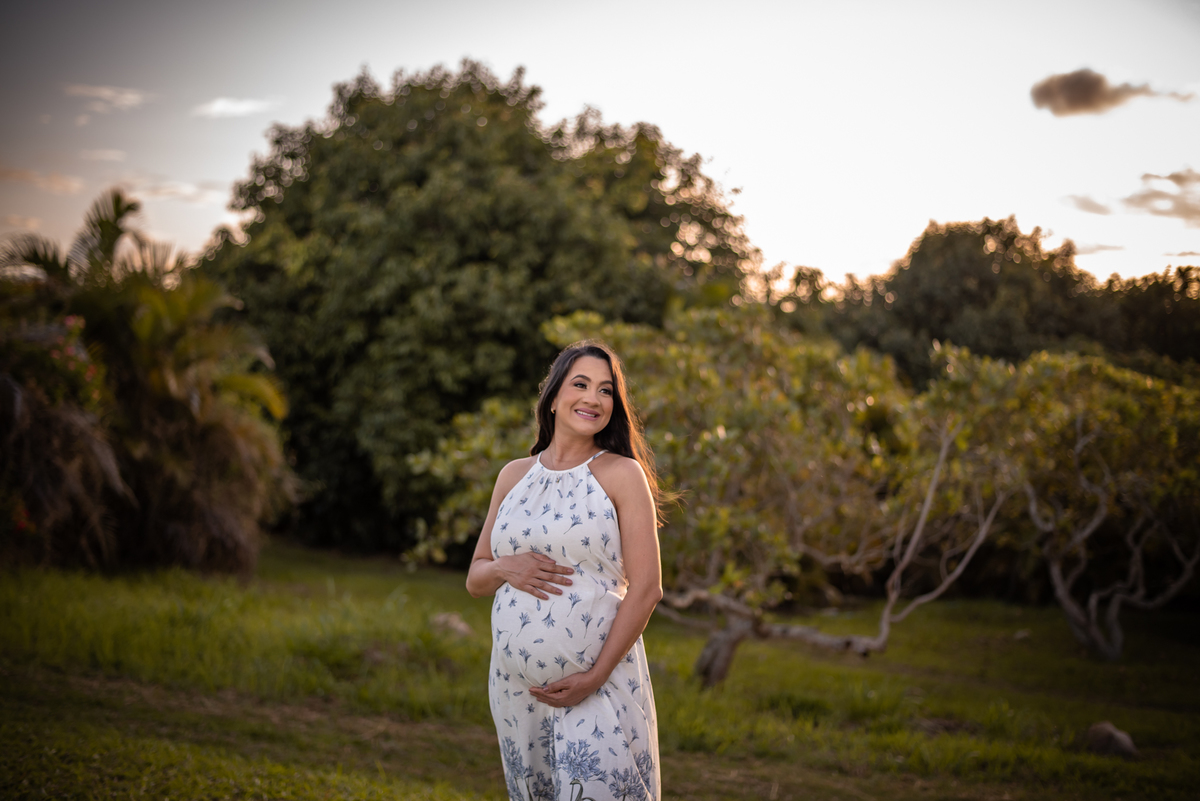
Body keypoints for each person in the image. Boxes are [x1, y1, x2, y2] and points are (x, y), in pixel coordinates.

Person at [466, 341, 665, 801]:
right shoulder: (514, 476)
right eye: (580, 384)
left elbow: (647, 589)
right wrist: (505, 567)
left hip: (598, 686)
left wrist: (593, 677)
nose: (593, 398)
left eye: (606, 390)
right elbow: (476, 578)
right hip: (516, 690)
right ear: (553, 397)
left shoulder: (622, 474)